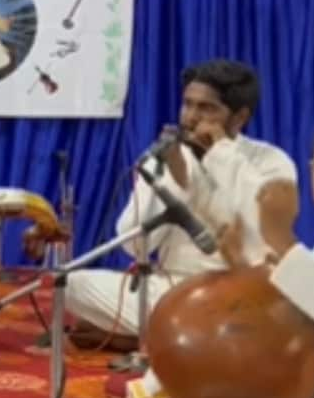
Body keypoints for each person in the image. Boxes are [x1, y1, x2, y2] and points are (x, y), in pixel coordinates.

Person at [70, 104, 314, 398]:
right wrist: (246, 265)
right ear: (312, 170)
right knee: (178, 372)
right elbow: (300, 301)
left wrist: (283, 243)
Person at [65, 59, 297, 349]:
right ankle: (182, 338)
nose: (190, 117)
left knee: (271, 308)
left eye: (206, 108)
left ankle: (156, 337)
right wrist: (174, 178)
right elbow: (135, 246)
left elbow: (259, 231)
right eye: (187, 104)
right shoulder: (166, 158)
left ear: (239, 117)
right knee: (74, 285)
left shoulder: (271, 162)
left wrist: (221, 154)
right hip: (172, 288)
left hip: (237, 292)